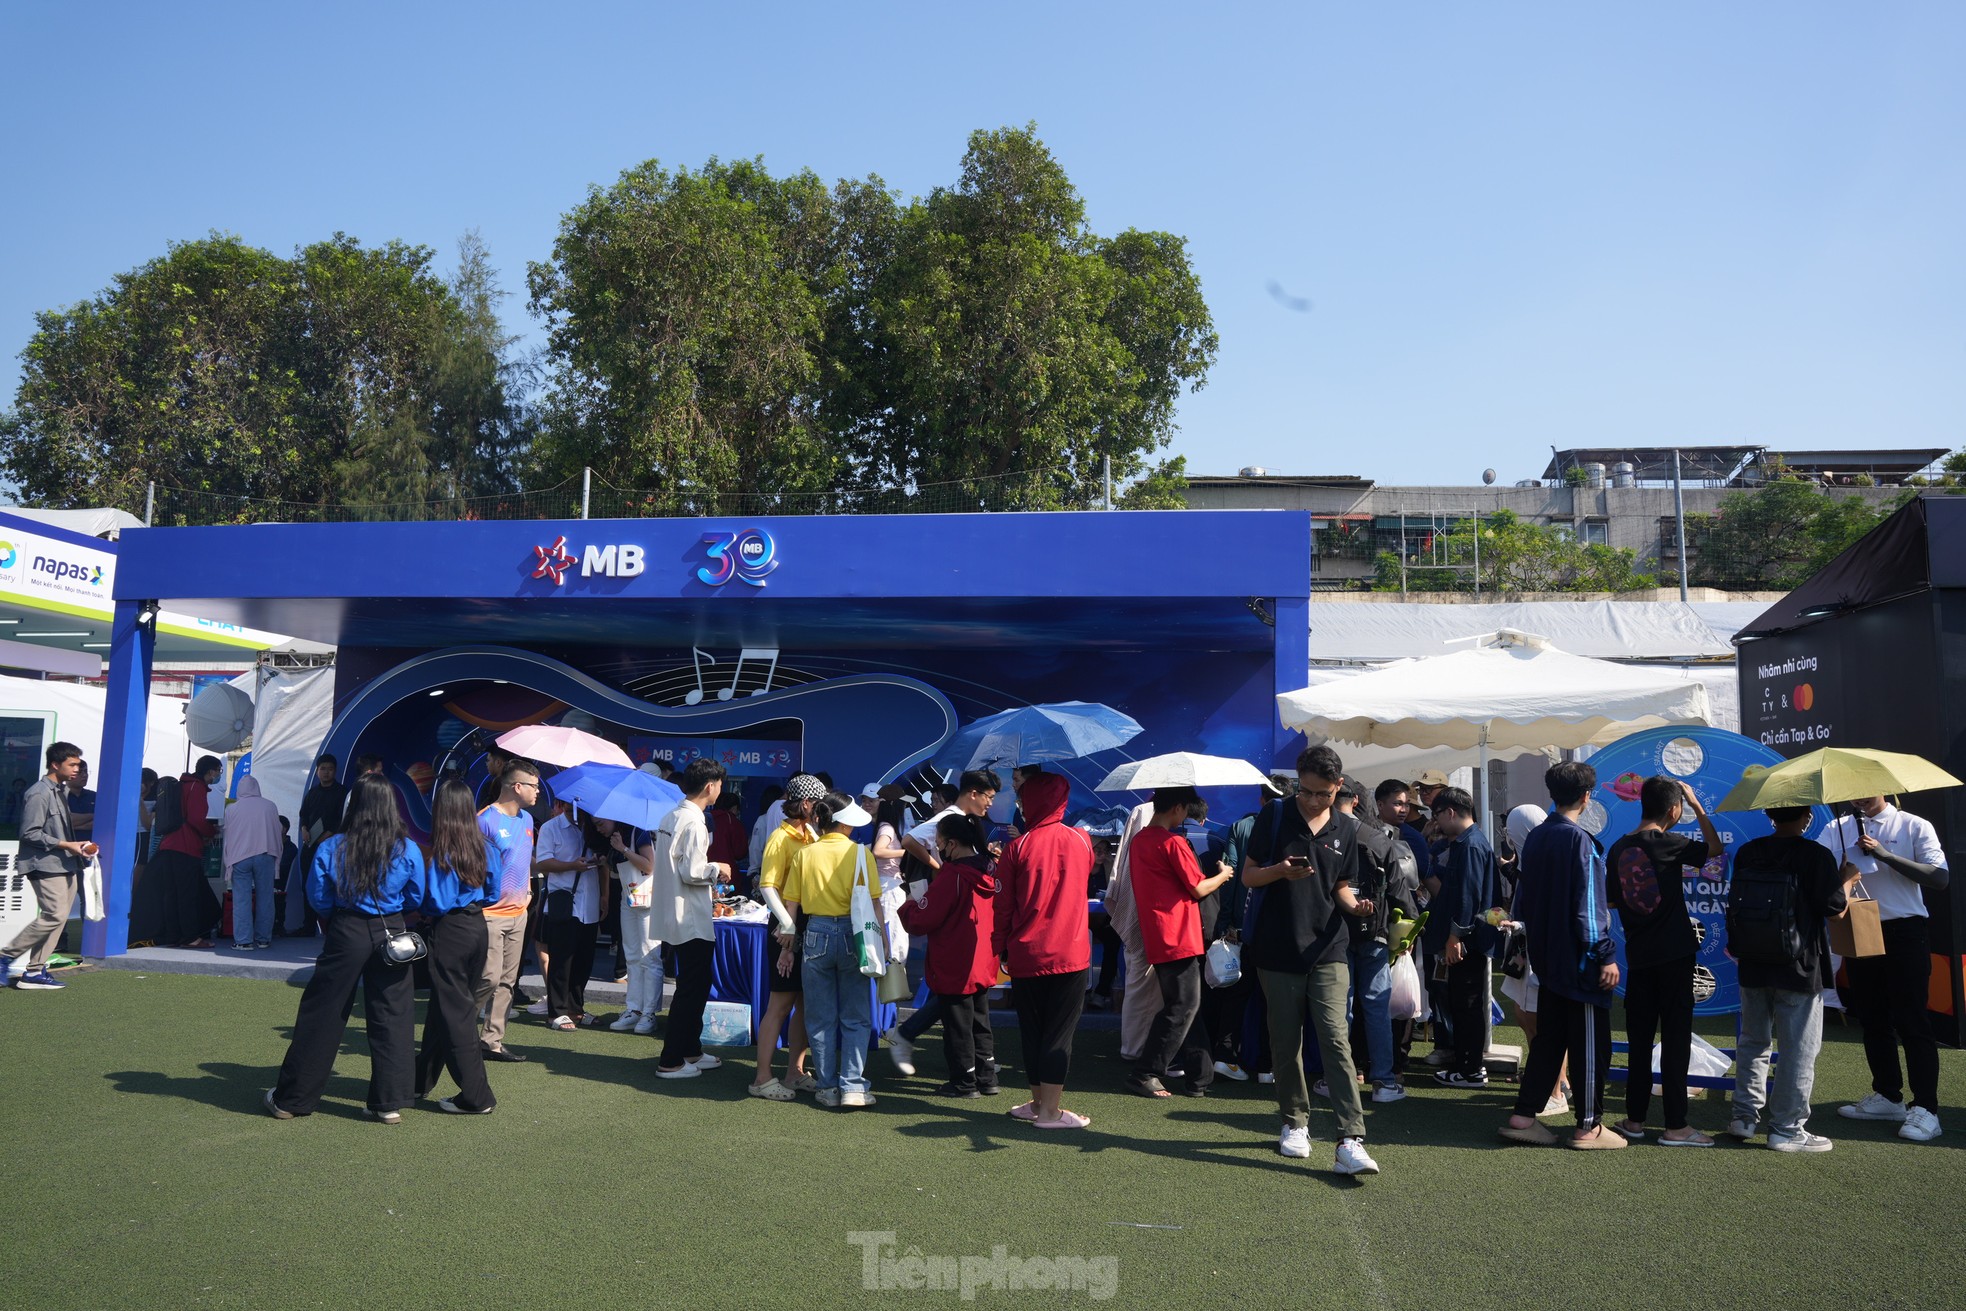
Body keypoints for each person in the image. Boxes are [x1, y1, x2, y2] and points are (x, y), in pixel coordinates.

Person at [1243, 746, 1379, 1176]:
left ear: (1339, 787)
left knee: (1336, 1037)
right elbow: (1248, 875)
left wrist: (1355, 906)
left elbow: (1341, 884)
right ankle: (1294, 1122)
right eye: (1305, 790)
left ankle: (1350, 1138)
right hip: (1277, 947)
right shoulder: (1275, 815)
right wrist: (1280, 870)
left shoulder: (1347, 827)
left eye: (1321, 793)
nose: (1312, 800)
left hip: (1328, 947)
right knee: (1286, 1042)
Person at [265, 775, 428, 1123]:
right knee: (393, 1014)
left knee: (323, 1012)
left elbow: (319, 896)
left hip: (346, 928)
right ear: (391, 806)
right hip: (392, 929)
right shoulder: (407, 847)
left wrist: (338, 918)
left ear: (353, 805)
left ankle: (293, 1099)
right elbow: (416, 895)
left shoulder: (333, 845)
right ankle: (388, 1103)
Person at [1500, 762, 1622, 1149]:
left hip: (1546, 958)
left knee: (1549, 1041)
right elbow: (1589, 907)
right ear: (1586, 797)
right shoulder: (1578, 841)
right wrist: (1604, 955)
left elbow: (1526, 901)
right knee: (1590, 1045)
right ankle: (1588, 1126)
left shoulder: (1536, 838)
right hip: (1579, 963)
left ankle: (1523, 1117)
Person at [1818, 794, 1950, 1141]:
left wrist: (1885, 855)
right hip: (1860, 926)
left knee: (1912, 1020)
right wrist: (1841, 872)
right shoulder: (1837, 828)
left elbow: (1939, 879)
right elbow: (1819, 875)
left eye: (1867, 788)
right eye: (1854, 790)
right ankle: (1889, 1095)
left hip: (1905, 929)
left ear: (1883, 787)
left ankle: (1926, 1108)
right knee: (1872, 1017)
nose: (1860, 796)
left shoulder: (1914, 825)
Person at [1725, 805, 1850, 1151]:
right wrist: (1848, 880)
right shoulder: (1816, 854)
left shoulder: (1749, 851)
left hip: (1751, 963)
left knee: (1752, 1041)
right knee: (1799, 1049)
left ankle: (1744, 1117)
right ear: (1806, 818)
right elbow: (1836, 911)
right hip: (1799, 966)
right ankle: (1786, 1128)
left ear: (1770, 814)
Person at [1604, 777, 1720, 1145]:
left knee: (1639, 1041)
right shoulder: (1673, 842)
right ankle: (1676, 1125)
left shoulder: (1619, 848)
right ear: (1674, 810)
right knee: (1675, 1040)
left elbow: (1609, 902)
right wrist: (1699, 807)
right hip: (1675, 956)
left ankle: (1634, 1120)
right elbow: (1714, 850)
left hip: (1639, 957)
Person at [992, 771, 1095, 1129]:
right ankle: (1049, 1112)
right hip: (1070, 952)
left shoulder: (1017, 847)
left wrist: (998, 947)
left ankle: (1040, 1104)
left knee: (1033, 1031)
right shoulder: (1081, 840)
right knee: (1058, 1035)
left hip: (1025, 952)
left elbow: (1001, 906)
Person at [885, 771, 998, 1076]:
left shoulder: (965, 838)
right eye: (988, 797)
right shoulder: (950, 823)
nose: (990, 804)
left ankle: (974, 1072)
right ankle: (974, 1073)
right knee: (957, 1003)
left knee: (957, 1004)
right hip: (954, 924)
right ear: (973, 793)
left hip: (957, 929)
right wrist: (939, 870)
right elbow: (909, 840)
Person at [1124, 787, 1233, 1100]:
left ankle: (1200, 1076)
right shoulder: (1172, 842)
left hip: (1160, 933)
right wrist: (1224, 874)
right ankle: (1146, 1072)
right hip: (1179, 934)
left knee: (1187, 1005)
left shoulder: (1140, 839)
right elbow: (1199, 888)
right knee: (1183, 1005)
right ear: (1180, 808)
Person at [782, 789, 878, 1107]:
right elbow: (875, 905)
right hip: (855, 933)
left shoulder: (804, 854)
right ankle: (853, 1086)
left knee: (820, 1017)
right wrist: (884, 947)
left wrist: (788, 943)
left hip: (816, 934)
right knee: (856, 1016)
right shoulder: (862, 854)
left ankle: (826, 1086)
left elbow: (791, 904)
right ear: (846, 823)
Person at [412, 778, 499, 1114]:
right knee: (444, 1009)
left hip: (449, 931)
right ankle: (419, 1082)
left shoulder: (445, 852)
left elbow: (434, 901)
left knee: (455, 1013)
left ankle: (477, 1096)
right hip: (478, 927)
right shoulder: (485, 846)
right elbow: (493, 891)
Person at [1336, 777, 1421, 1101]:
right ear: (1357, 800)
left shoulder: (1324, 837)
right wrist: (1406, 934)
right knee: (1376, 1008)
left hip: (1334, 937)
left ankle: (1338, 1079)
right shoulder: (1378, 839)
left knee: (1339, 1009)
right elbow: (1401, 892)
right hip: (1376, 932)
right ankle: (1383, 1081)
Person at [650, 758, 730, 1078]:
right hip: (690, 917)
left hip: (678, 912)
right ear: (710, 786)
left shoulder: (673, 814)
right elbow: (692, 871)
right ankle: (671, 1060)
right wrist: (718, 869)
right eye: (720, 784)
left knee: (694, 985)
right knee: (692, 988)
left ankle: (690, 1050)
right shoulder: (694, 821)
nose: (720, 789)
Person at [749, 773, 824, 1100]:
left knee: (804, 1002)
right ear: (806, 803)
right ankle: (762, 1079)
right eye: (818, 802)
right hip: (785, 927)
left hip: (803, 924)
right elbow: (767, 886)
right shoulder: (781, 838)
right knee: (779, 1004)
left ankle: (795, 1071)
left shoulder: (810, 833)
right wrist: (787, 925)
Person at [1425, 787, 1501, 1089]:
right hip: (1470, 937)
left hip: (1467, 940)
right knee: (1464, 1004)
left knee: (1467, 1005)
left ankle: (1470, 1069)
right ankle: (1467, 1066)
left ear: (1451, 812)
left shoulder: (1470, 846)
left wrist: (1456, 936)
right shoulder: (1467, 842)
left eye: (1438, 815)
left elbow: (1468, 897)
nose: (1438, 823)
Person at [1, 742, 92, 990]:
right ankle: (6, 956)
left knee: (59, 919)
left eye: (78, 764)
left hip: (66, 863)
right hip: (43, 864)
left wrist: (77, 846)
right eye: (72, 764)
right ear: (55, 764)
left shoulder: (58, 791)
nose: (77, 768)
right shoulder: (39, 792)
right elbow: (29, 833)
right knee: (54, 915)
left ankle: (34, 971)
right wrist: (66, 845)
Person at [1497, 804, 1567, 1116]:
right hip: (1527, 950)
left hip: (1541, 952)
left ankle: (1555, 1091)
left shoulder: (1545, 861)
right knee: (1526, 1015)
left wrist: (1522, 924)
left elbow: (1553, 910)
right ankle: (1553, 1082)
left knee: (1544, 1023)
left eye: (1511, 830)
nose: (1508, 836)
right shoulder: (1532, 859)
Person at [476, 761, 539, 1064]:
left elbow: (523, 859)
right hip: (489, 914)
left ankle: (491, 1042)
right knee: (487, 978)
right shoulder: (484, 820)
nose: (538, 791)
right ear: (517, 787)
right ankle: (456, 1030)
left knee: (506, 981)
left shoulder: (527, 819)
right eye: (534, 786)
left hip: (519, 913)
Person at [132, 754, 224, 949]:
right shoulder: (196, 787)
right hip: (186, 847)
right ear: (211, 771)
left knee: (172, 894)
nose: (218, 775)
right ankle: (191, 937)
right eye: (219, 771)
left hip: (168, 846)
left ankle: (173, 935)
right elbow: (197, 819)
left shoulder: (181, 785)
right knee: (187, 894)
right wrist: (210, 831)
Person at [536, 798, 603, 1030]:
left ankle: (576, 1009)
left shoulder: (593, 827)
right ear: (563, 804)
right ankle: (556, 1012)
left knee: (584, 959)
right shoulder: (550, 827)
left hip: (590, 900)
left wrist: (604, 896)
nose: (577, 811)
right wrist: (572, 865)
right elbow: (543, 863)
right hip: (565, 900)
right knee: (562, 958)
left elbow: (602, 862)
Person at [1103, 797, 1159, 1061]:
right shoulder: (1143, 812)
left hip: (1153, 913)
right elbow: (1127, 866)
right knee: (1139, 981)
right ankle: (1134, 1048)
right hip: (1142, 911)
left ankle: (1140, 1047)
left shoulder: (1150, 814)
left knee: (1149, 987)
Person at [603, 815, 661, 1035]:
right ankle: (634, 1009)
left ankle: (649, 1013)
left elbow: (650, 865)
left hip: (647, 898)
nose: (599, 827)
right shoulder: (618, 835)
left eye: (601, 822)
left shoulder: (640, 832)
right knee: (632, 955)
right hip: (629, 898)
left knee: (650, 955)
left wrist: (623, 848)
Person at [286, 754, 347, 936]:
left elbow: (344, 818)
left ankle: (334, 927)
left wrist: (330, 834)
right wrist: (304, 828)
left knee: (334, 885)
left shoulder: (342, 793)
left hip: (334, 847)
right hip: (312, 846)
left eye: (329, 769)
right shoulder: (312, 793)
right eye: (322, 769)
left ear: (335, 771)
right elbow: (304, 814)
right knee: (309, 884)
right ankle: (308, 925)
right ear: (317, 771)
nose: (326, 772)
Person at [223, 775, 283, 951]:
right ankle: (264, 939)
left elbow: (229, 835)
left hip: (240, 857)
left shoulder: (232, 809)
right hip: (266, 854)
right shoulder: (270, 806)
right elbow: (277, 831)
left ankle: (243, 940)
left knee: (242, 899)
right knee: (266, 898)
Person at [67, 758, 96, 837]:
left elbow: (100, 822)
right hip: (66, 845)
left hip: (91, 846)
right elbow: (65, 821)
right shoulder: (59, 795)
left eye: (85, 771)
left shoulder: (95, 796)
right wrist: (94, 815)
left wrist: (75, 825)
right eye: (79, 772)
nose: (84, 775)